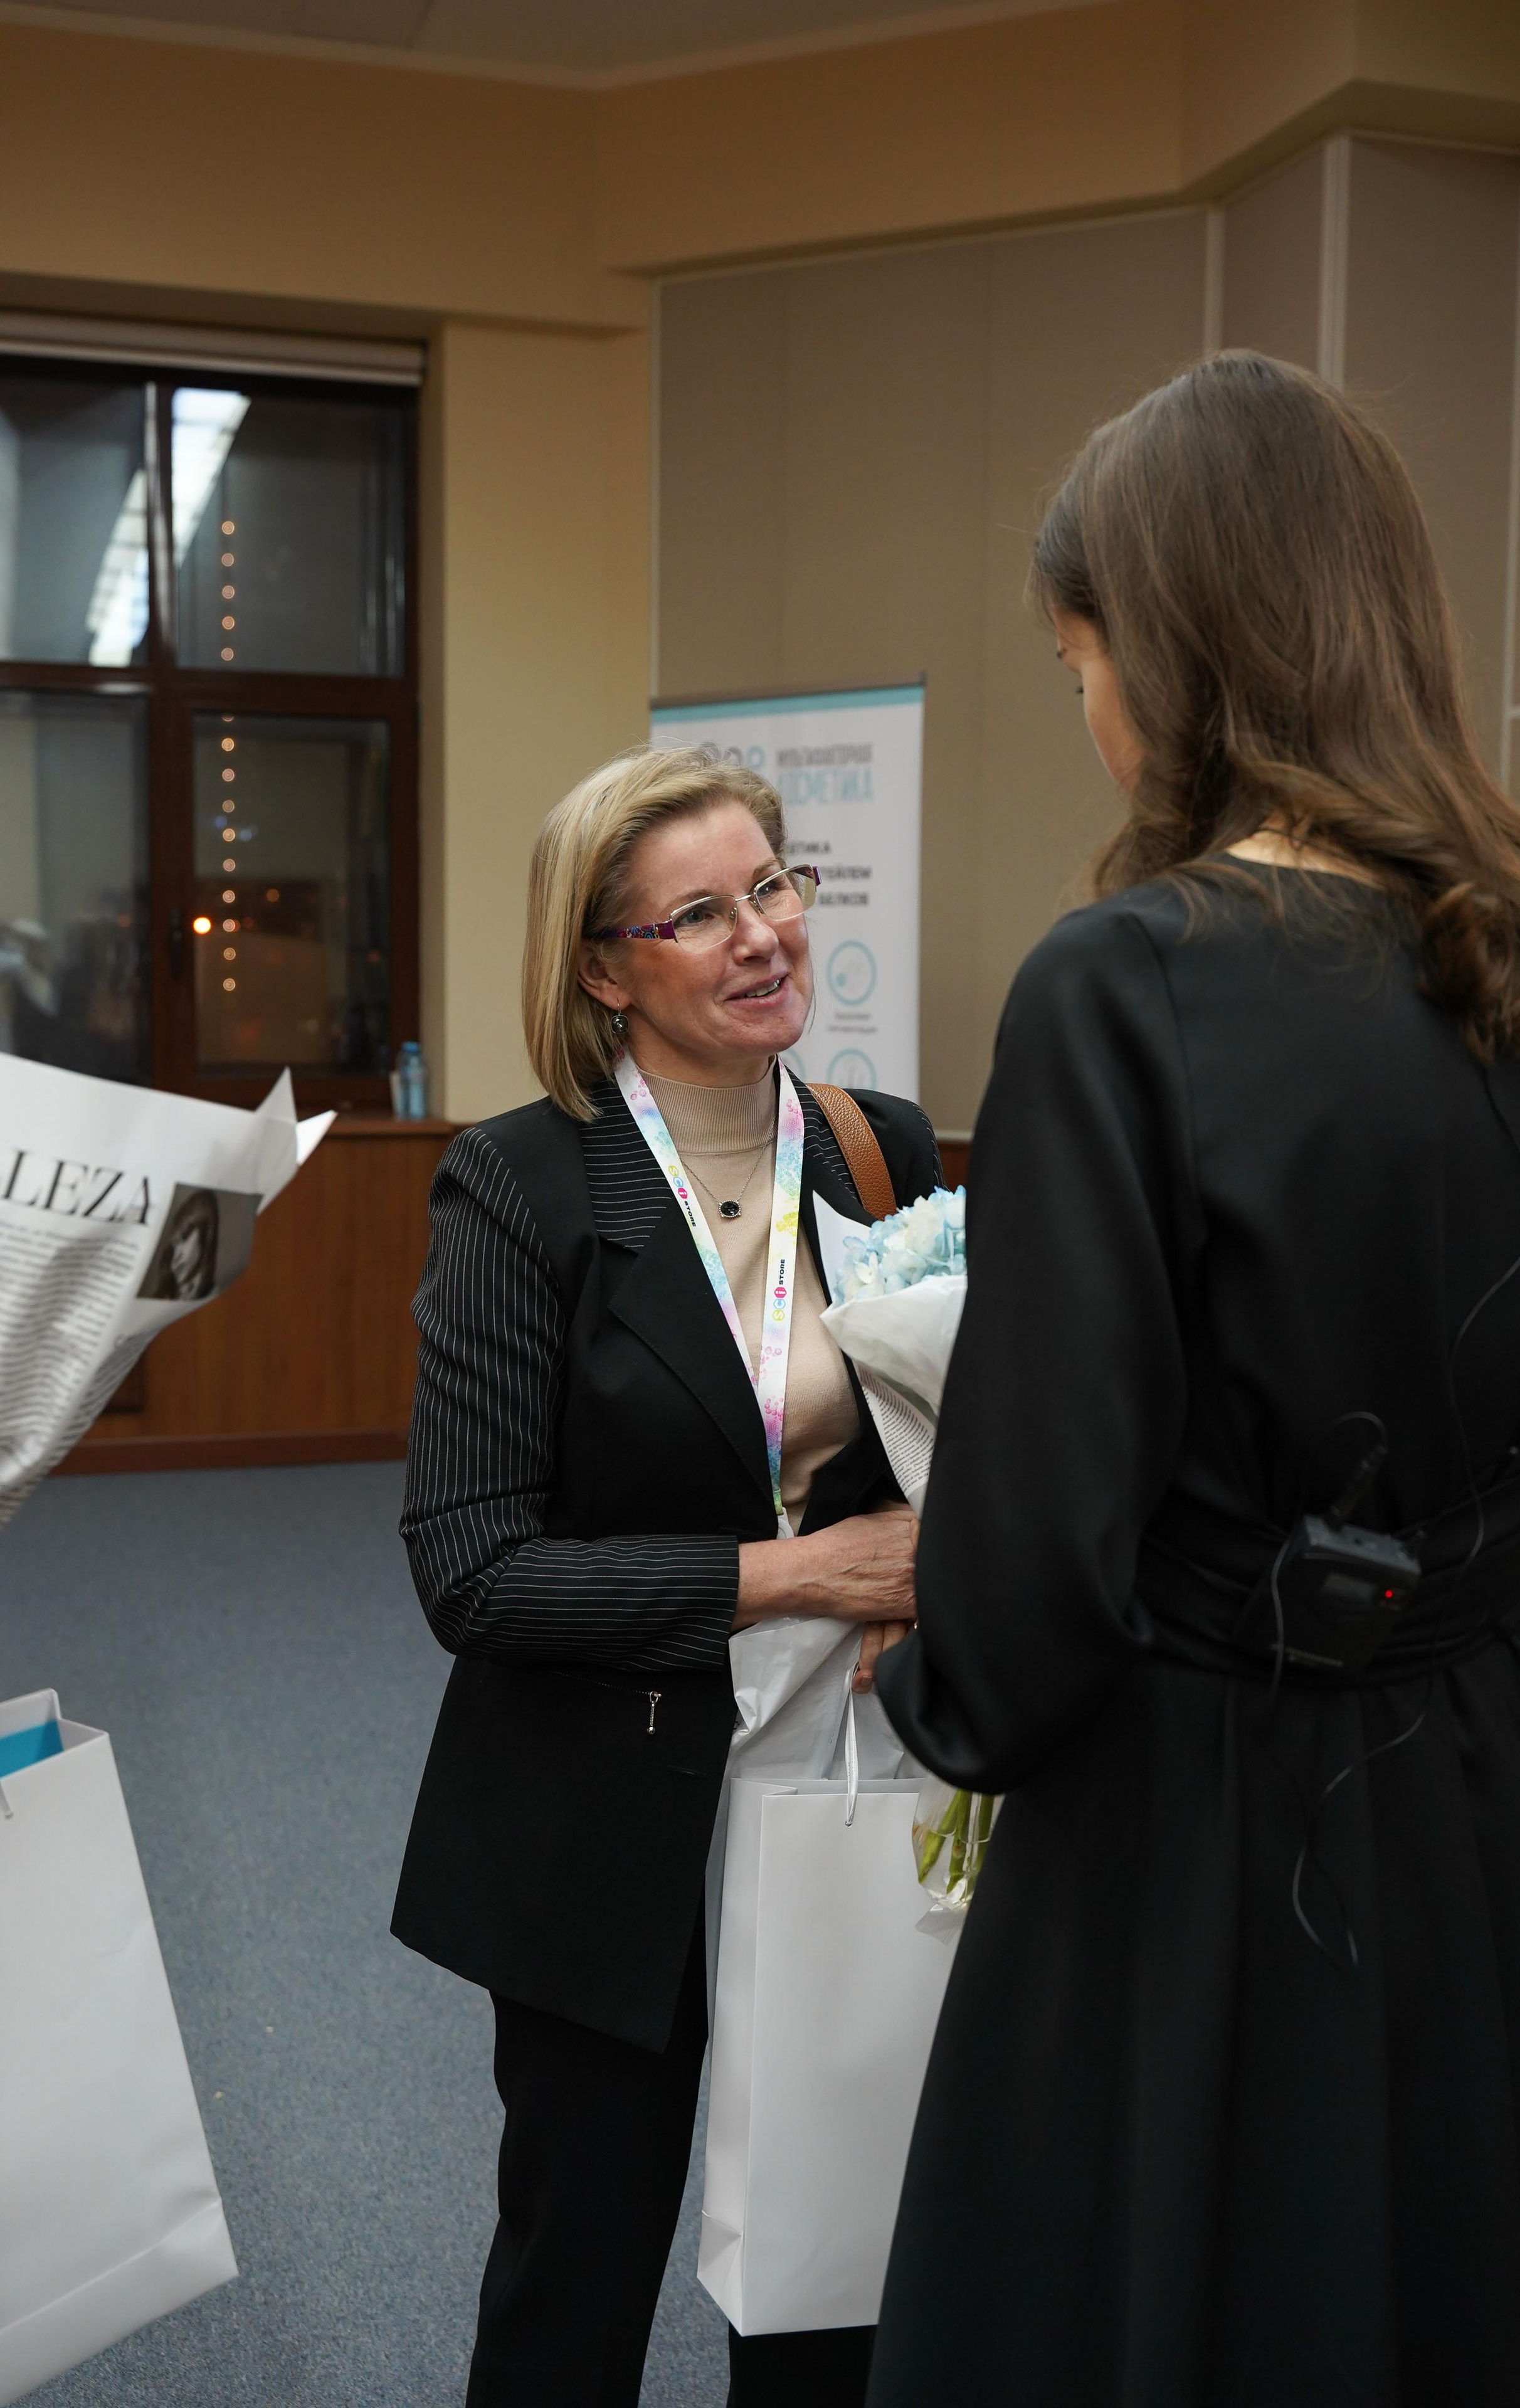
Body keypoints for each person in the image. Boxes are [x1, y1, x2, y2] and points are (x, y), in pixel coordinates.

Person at [870, 352, 1520, 2407]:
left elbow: (1022, 1609)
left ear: (1175, 657)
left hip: (1195, 1825)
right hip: (1494, 1795)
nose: (1087, 712)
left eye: (1081, 660)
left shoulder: (1126, 989)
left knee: (1176, 2307)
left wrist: (940, 1691)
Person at [393, 744, 941, 2408]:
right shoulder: (522, 1183)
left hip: (840, 1785)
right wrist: (802, 1573)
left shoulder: (877, 1150)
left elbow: (937, 1440)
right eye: (696, 914)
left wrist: (929, 1565)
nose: (761, 933)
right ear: (603, 966)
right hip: (601, 1805)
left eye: (771, 885)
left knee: (833, 2274)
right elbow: (475, 1571)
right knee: (584, 2256)